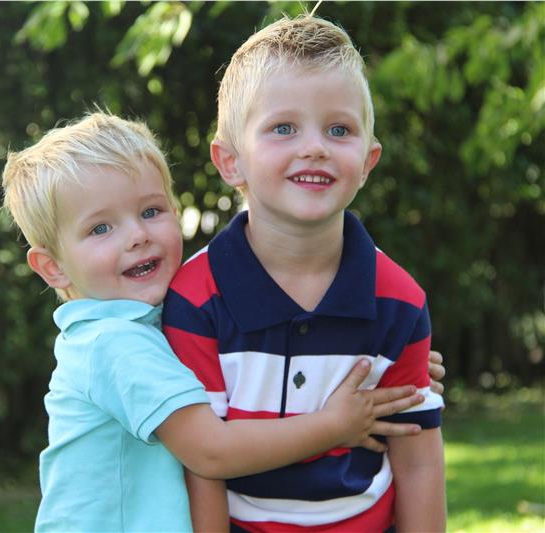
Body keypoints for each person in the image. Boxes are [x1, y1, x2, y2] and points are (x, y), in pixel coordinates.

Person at [2, 112, 445, 532]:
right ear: (52, 267)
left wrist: (386, 365)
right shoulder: (115, 344)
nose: (137, 236)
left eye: (151, 211)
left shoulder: (145, 325)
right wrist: (335, 426)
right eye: (100, 229)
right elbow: (210, 451)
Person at [163, 14, 446, 533]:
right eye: (283, 128)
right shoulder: (195, 297)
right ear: (230, 161)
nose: (315, 147)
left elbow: (418, 458)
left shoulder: (398, 299)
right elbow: (201, 467)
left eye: (339, 130)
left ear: (368, 161)